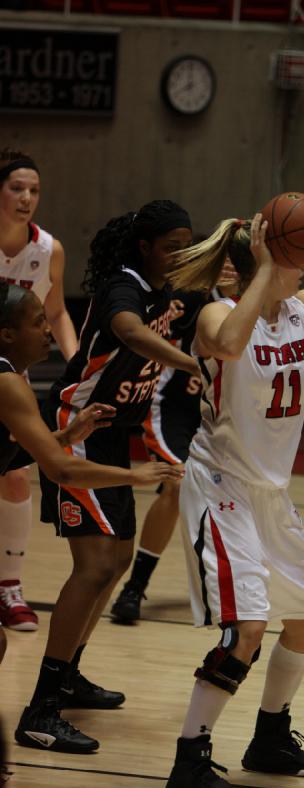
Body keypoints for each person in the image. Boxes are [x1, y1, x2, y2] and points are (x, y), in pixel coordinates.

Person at [161, 206, 304, 788]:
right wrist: (264, 269)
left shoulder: (303, 308)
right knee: (247, 630)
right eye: (303, 254)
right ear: (265, 261)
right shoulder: (216, 313)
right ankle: (189, 767)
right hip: (222, 488)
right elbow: (232, 346)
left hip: (272, 494)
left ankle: (270, 738)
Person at [15, 200, 202, 755]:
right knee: (94, 566)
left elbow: (216, 285)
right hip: (80, 425)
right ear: (145, 246)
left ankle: (68, 676)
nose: (178, 254)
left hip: (113, 430)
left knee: (117, 561)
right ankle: (40, 711)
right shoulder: (125, 286)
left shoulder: (174, 288)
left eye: (185, 245)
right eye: (171, 245)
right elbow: (129, 331)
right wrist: (193, 365)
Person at [112, 250, 304, 625]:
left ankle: (238, 572)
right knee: (176, 481)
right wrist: (190, 363)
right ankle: (135, 585)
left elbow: (269, 359)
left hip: (219, 409)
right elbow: (158, 341)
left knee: (182, 486)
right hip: (176, 403)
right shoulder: (197, 302)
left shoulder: (265, 307)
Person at [0, 147, 78, 632]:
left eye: (34, 191)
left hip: (10, 376)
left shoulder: (48, 249)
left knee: (14, 477)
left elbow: (56, 313)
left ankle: (9, 585)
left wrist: (78, 366)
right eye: (16, 188)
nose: (27, 198)